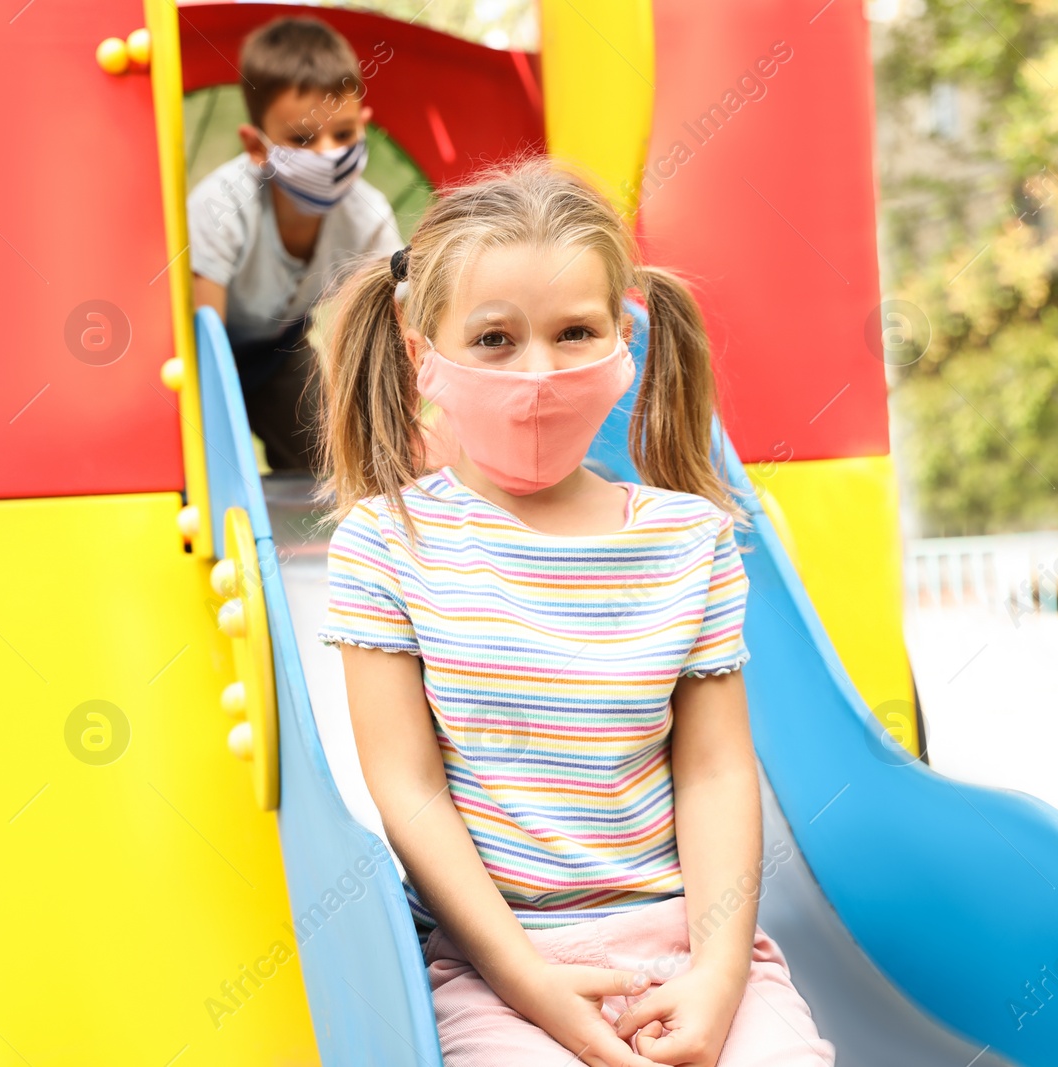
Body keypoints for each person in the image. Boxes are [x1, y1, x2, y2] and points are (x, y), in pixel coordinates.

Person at [314, 160, 837, 1067]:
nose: (539, 374)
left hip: (691, 948)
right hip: (495, 967)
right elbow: (412, 790)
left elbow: (715, 774)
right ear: (420, 349)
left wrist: (714, 980)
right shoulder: (387, 544)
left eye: (573, 332)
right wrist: (530, 982)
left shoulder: (691, 540)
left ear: (620, 339)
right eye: (494, 339)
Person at [188, 16, 402, 475]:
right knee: (200, 466)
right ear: (257, 147)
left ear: (364, 126)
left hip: (281, 351)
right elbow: (205, 343)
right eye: (302, 138)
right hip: (205, 353)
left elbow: (398, 322)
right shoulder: (221, 207)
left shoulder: (367, 216)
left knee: (330, 460)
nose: (327, 153)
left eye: (343, 134)